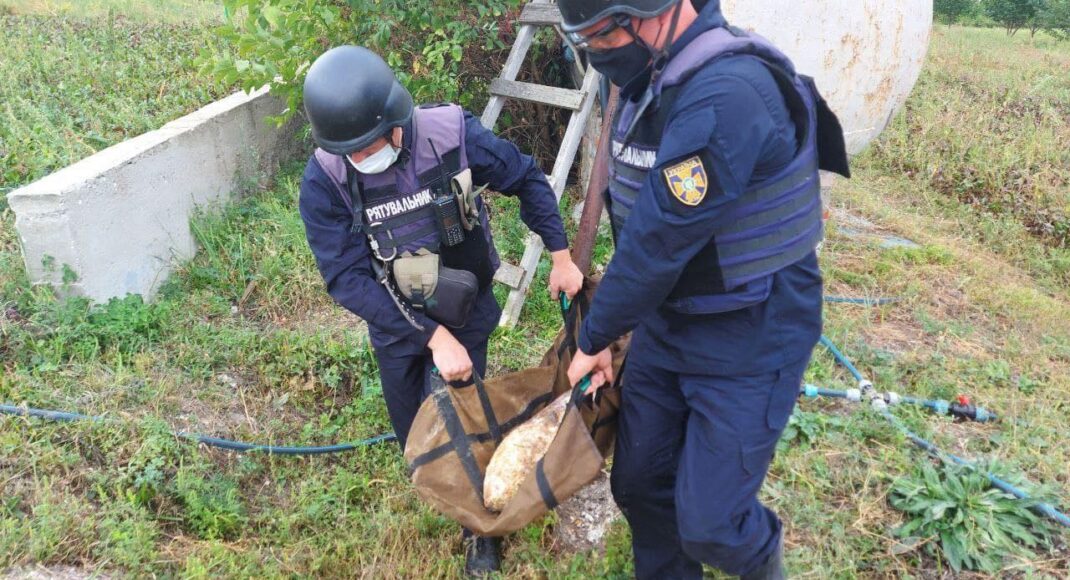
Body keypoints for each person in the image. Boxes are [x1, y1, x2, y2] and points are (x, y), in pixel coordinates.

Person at [559, 0, 849, 578]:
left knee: (711, 524)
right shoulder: (651, 79)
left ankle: (764, 563)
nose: (597, 53)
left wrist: (595, 337)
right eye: (584, 41)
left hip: (751, 331)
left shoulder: (729, 94)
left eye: (602, 36)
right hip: (670, 323)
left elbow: (658, 240)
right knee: (640, 484)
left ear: (652, 12)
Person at [297, 45, 584, 577]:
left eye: (369, 147)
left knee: (463, 426)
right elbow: (344, 278)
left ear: (394, 120)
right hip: (395, 318)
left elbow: (525, 178)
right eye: (350, 152)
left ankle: (480, 532)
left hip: (465, 305)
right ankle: (441, 482)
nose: (361, 159)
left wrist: (562, 257)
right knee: (414, 431)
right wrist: (430, 337)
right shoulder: (325, 180)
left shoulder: (451, 136)